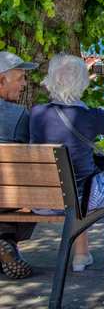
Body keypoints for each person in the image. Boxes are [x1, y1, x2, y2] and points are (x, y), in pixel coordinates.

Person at [30, 54, 104, 271]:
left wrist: (78, 77)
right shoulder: (89, 117)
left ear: (50, 81)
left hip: (42, 201)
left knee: (75, 182)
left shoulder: (36, 114)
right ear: (81, 84)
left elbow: (67, 102)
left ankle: (81, 255)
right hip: (80, 199)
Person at [0, 52, 39, 279]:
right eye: (20, 78)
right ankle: (6, 242)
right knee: (33, 194)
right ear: (1, 80)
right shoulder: (18, 115)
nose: (24, 84)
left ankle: (5, 242)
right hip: (8, 199)